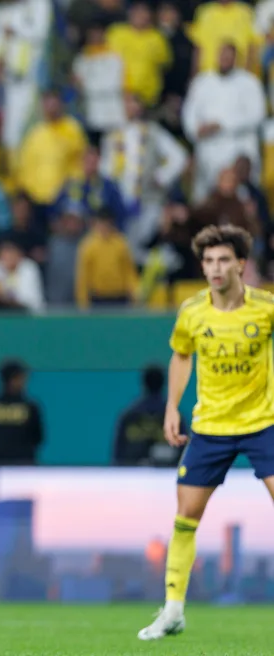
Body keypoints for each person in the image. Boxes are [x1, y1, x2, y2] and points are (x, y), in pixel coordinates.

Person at [139, 224, 274, 640]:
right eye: (209, 261)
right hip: (210, 428)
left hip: (262, 424)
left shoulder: (266, 308)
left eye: (223, 260)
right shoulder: (192, 312)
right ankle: (174, 610)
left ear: (241, 265)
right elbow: (181, 355)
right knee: (185, 518)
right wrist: (171, 408)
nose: (215, 268)